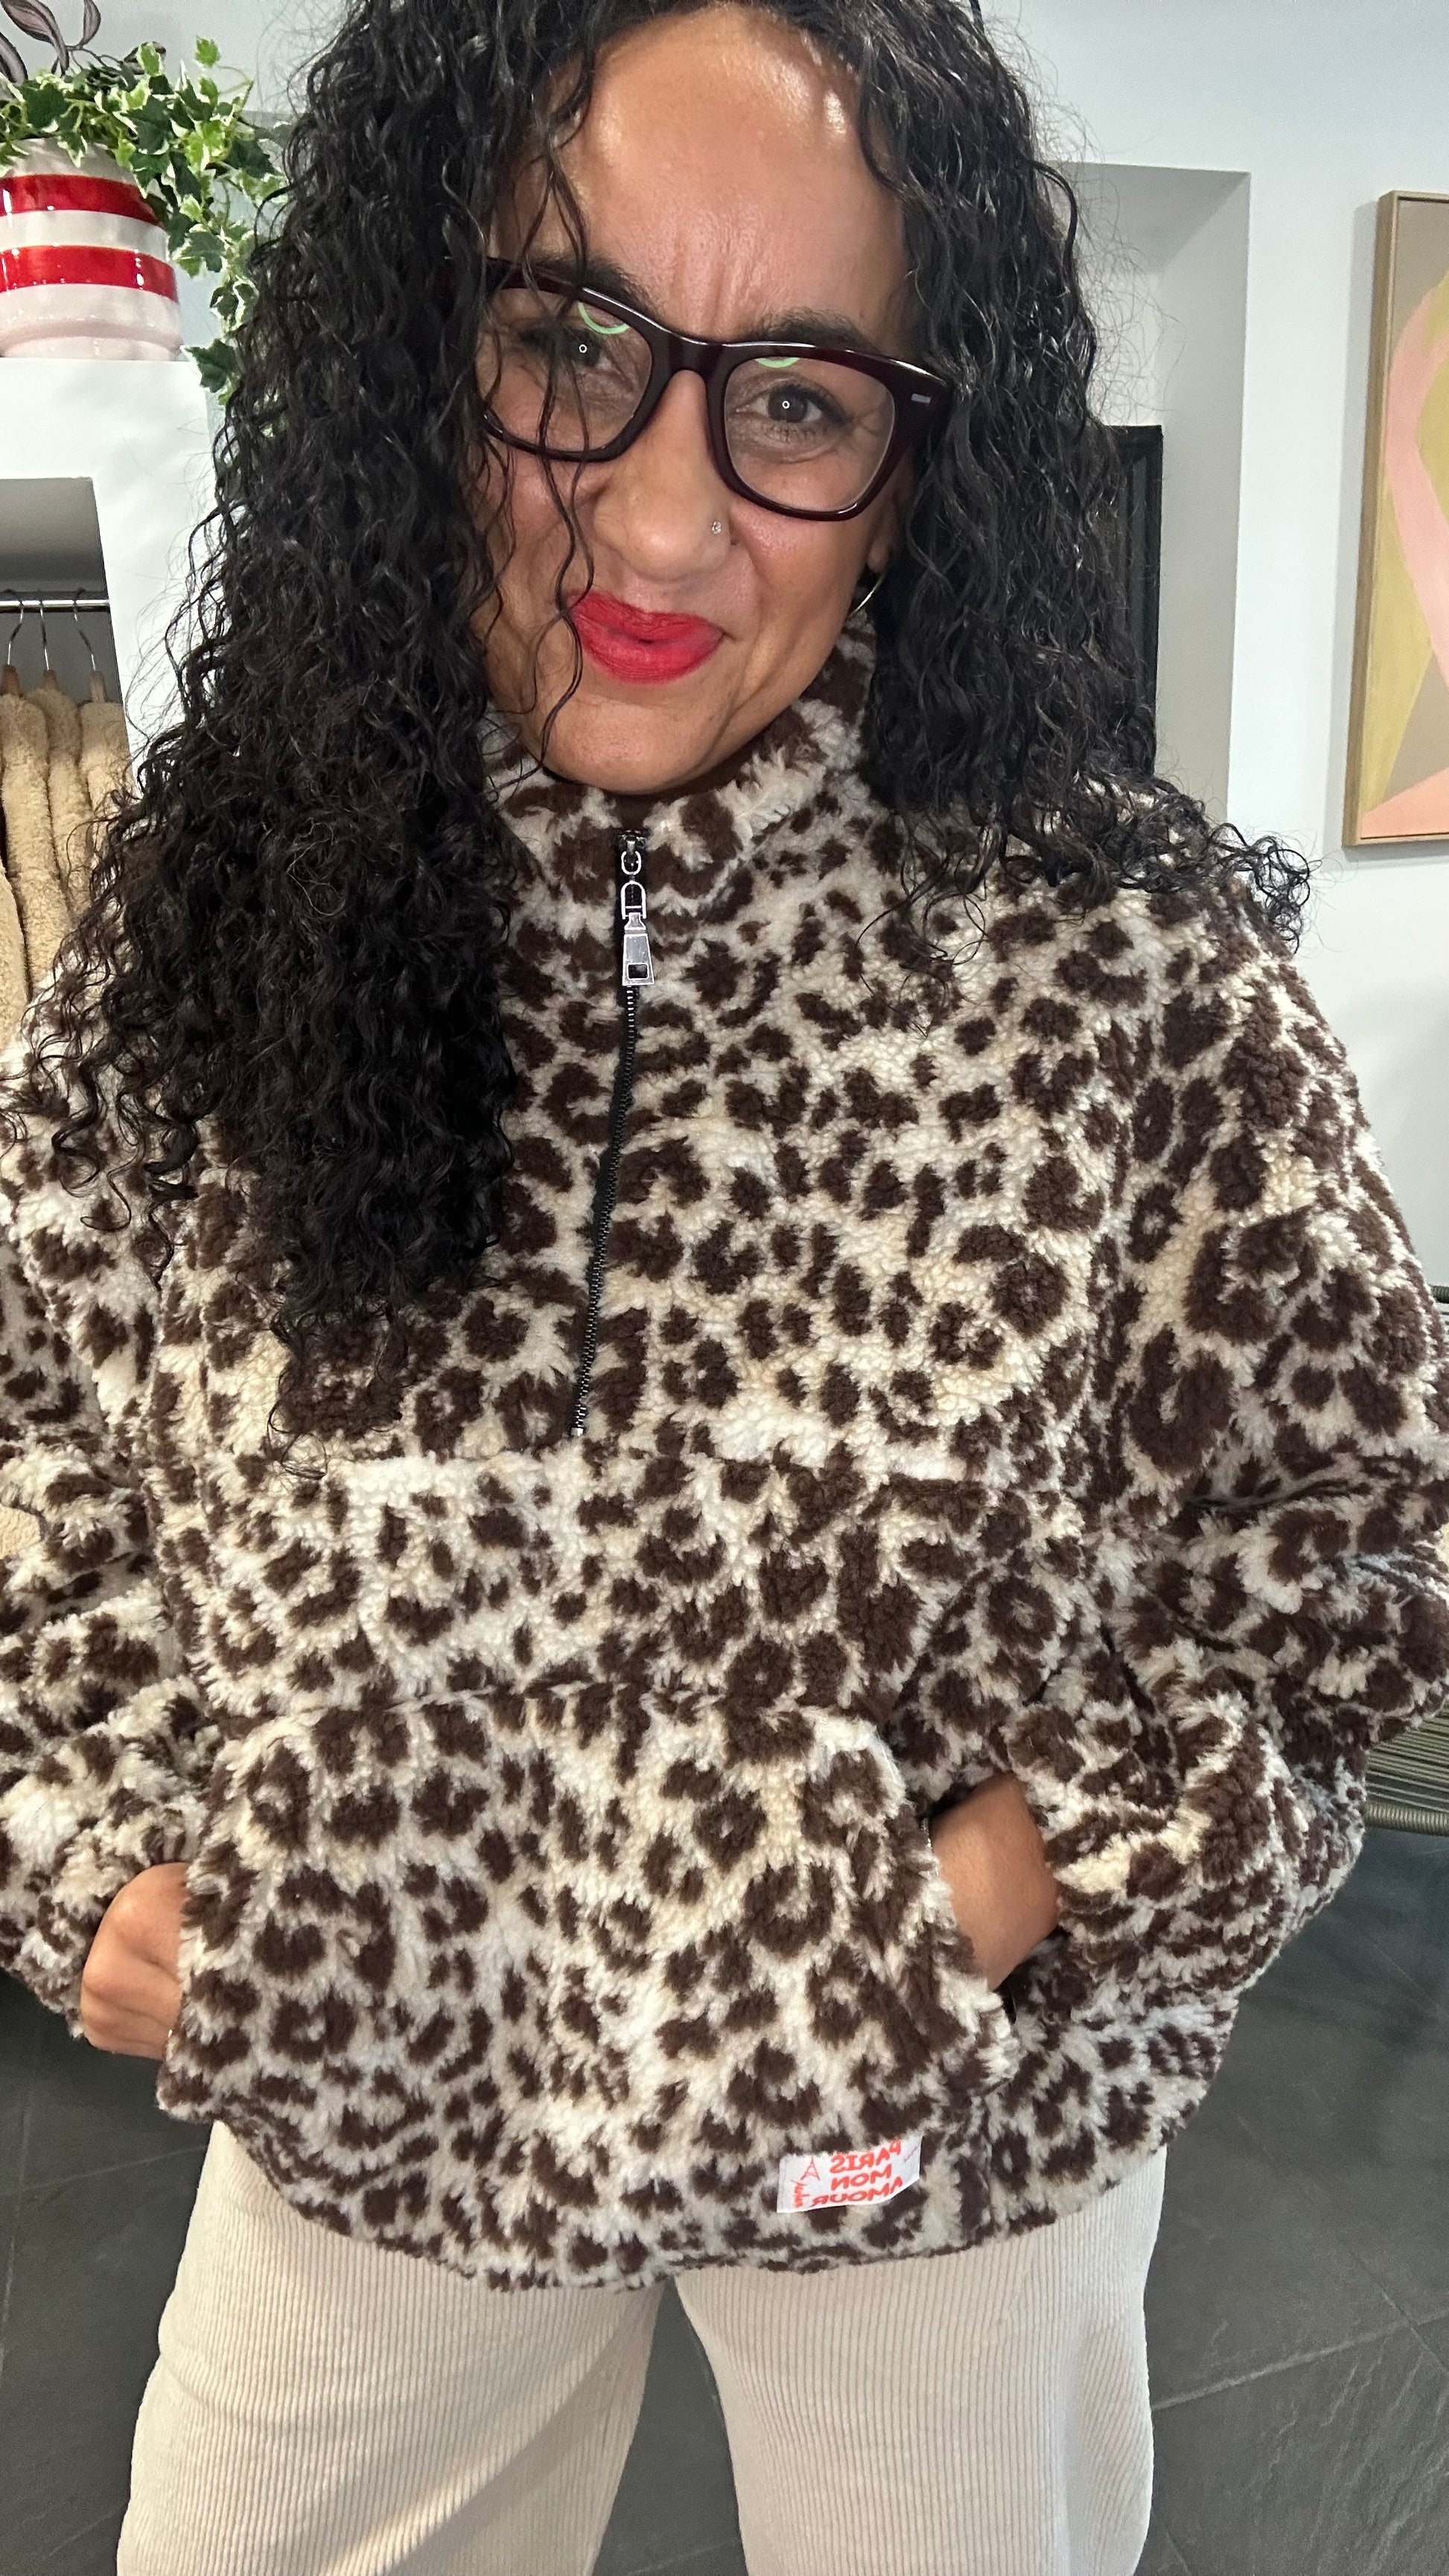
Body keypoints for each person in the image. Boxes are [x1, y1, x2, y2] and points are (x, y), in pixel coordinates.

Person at [0, 0, 1446, 2569]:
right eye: (570, 347)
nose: (660, 526)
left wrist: (994, 1890)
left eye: (792, 397)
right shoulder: (220, 922)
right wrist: (93, 1835)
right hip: (367, 2081)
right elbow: (27, 1415)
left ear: (915, 466)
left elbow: (1340, 1558)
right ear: (417, 357)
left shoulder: (1125, 981)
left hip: (936, 2125)